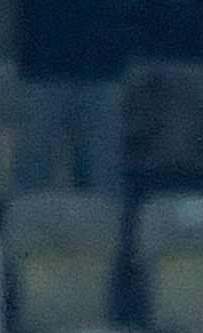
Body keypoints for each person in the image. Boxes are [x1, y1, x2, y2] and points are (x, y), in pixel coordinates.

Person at [19, 1, 133, 202]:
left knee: (104, 171)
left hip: (102, 70)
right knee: (35, 164)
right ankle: (21, 225)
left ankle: (108, 228)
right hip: (45, 69)